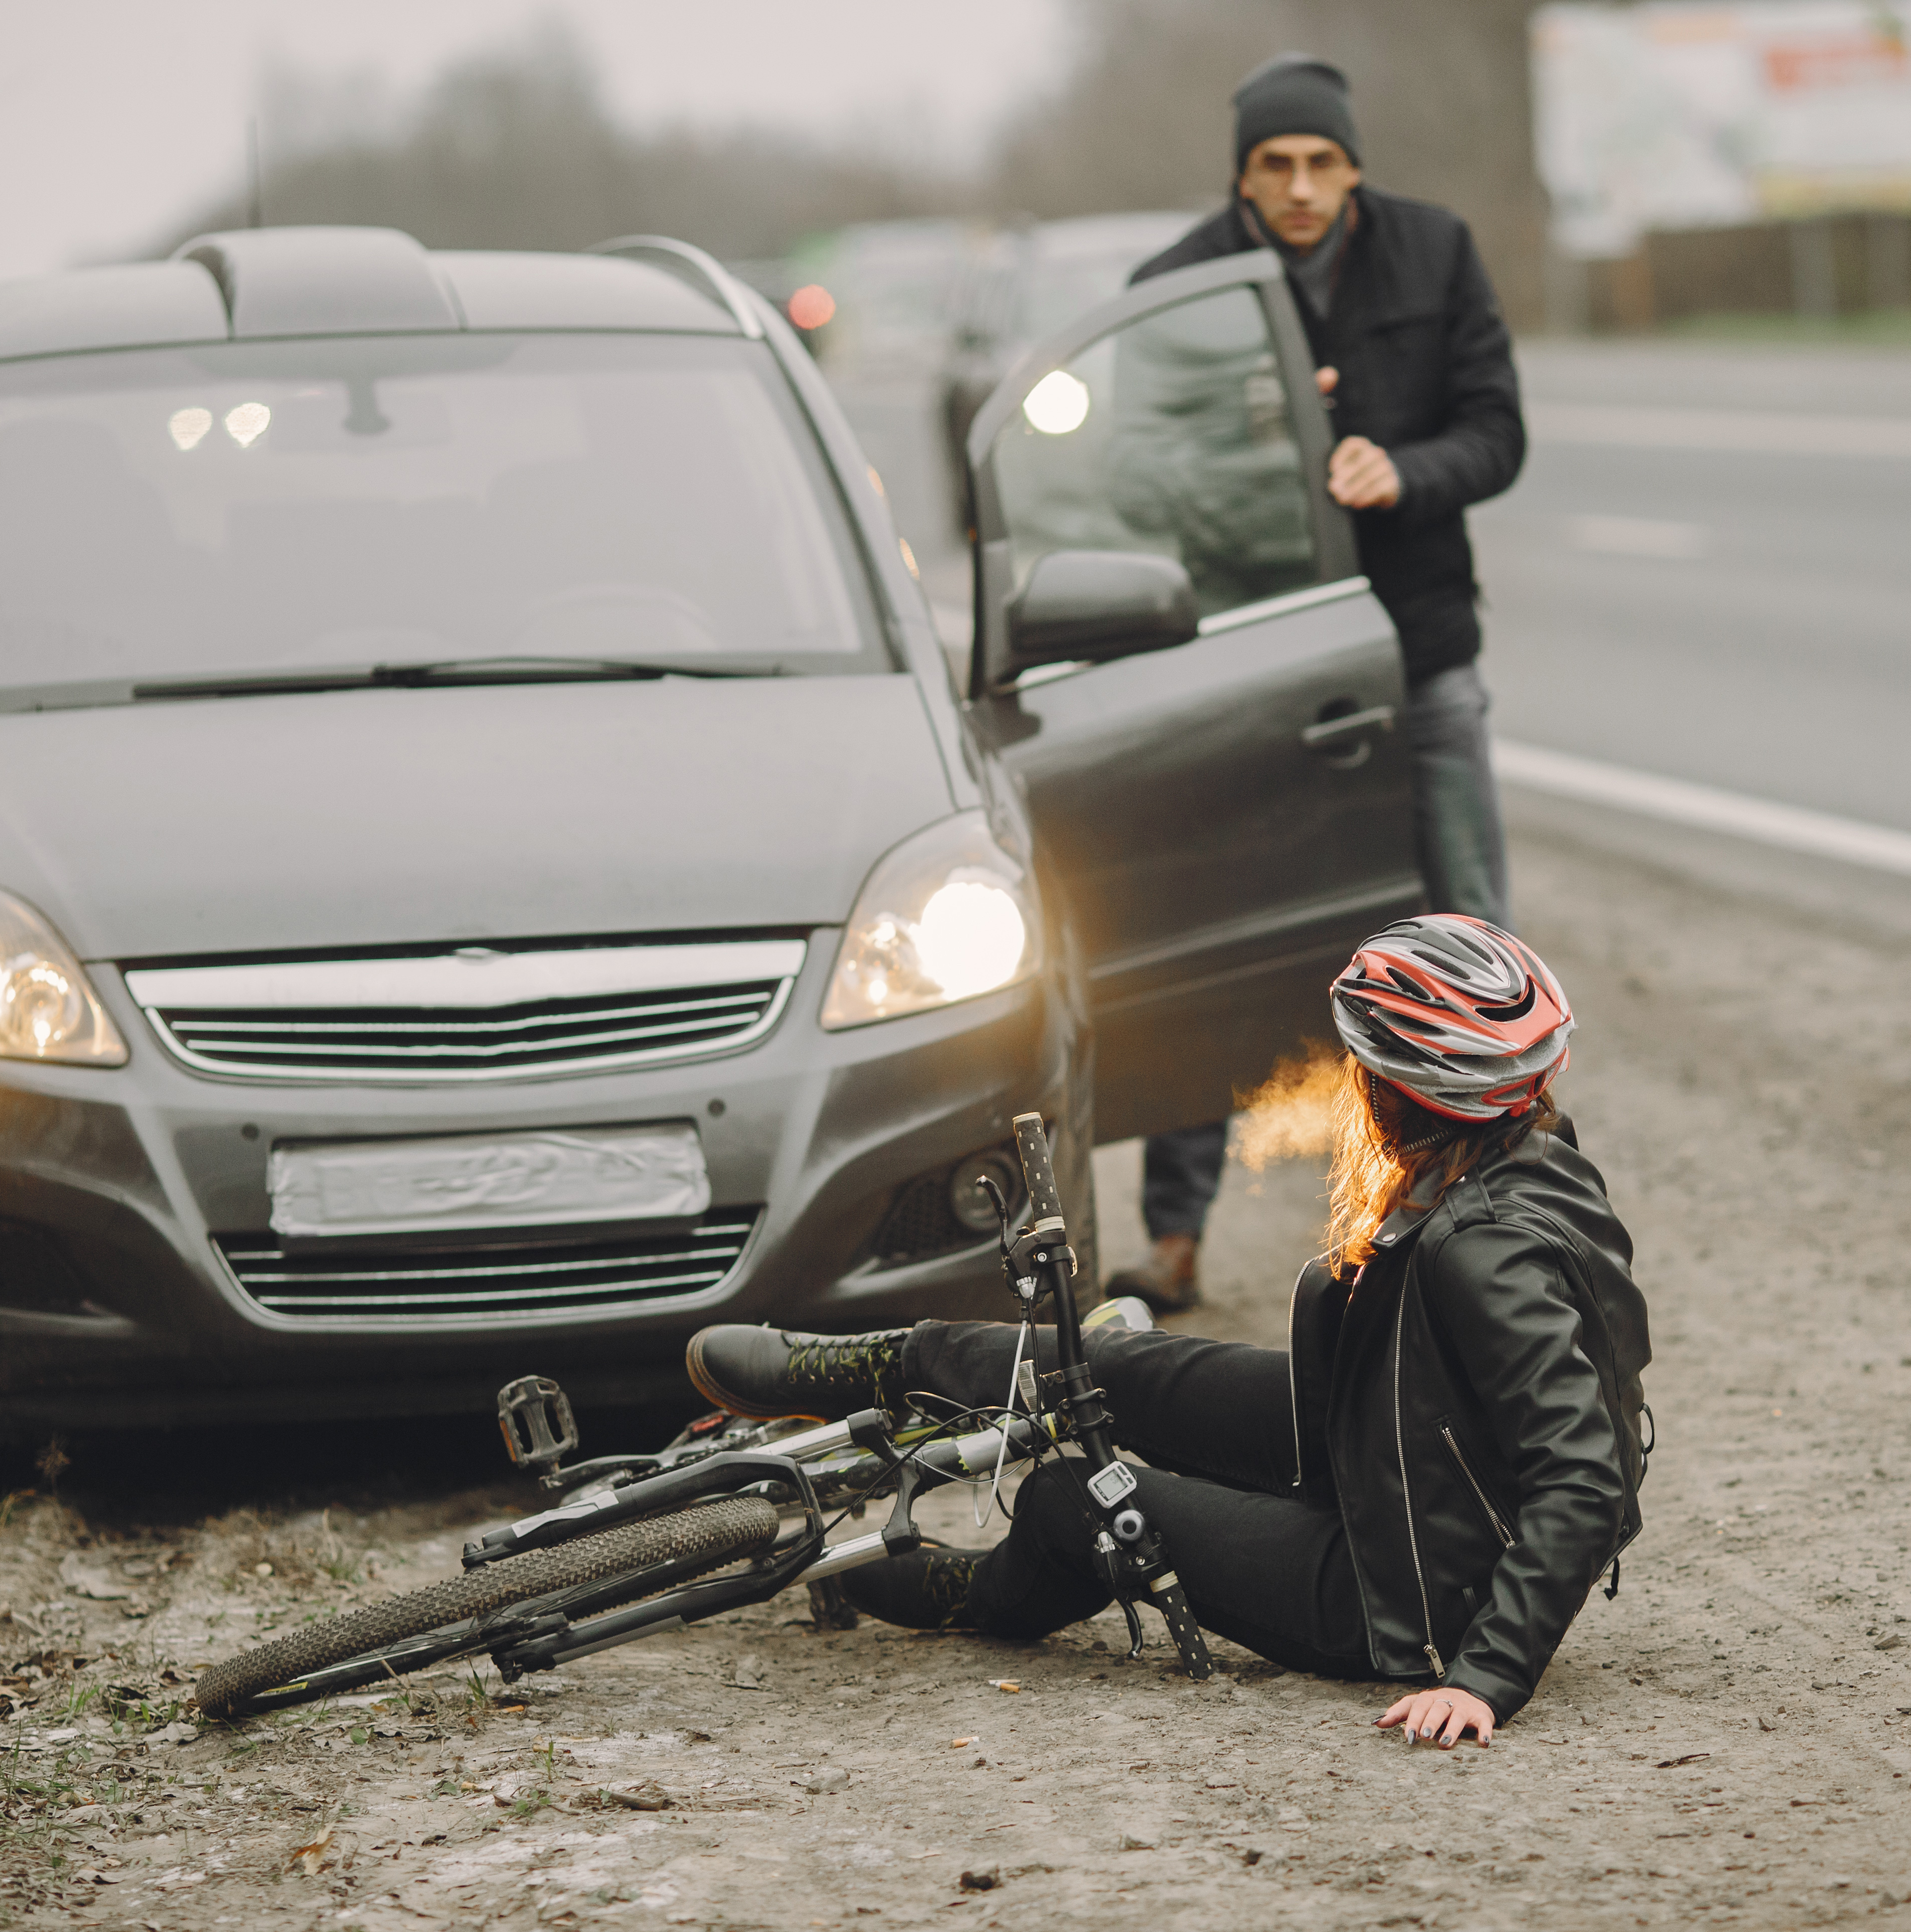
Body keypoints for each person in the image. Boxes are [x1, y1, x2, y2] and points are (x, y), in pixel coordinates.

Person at [685, 915, 1645, 1744]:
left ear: (1411, 1088)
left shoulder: (1487, 1251)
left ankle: (965, 1593)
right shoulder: (1519, 1156)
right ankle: (874, 1364)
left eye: (1367, 1064)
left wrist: (1483, 1678)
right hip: (1386, 1452)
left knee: (1077, 1497)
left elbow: (1584, 1473)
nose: (1354, 1079)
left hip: (1399, 1591)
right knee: (1112, 1365)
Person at [1107, 53, 1528, 1315]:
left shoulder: (1435, 252)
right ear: (1240, 174)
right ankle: (1174, 1237)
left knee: (1467, 930)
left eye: (1321, 163)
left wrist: (1402, 470)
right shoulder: (1171, 291)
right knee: (1207, 938)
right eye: (1274, 165)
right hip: (1244, 665)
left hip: (1417, 651)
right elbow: (1136, 479)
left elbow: (1498, 431)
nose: (1299, 187)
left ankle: (1501, 1202)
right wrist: (1263, 457)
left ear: (1354, 167)